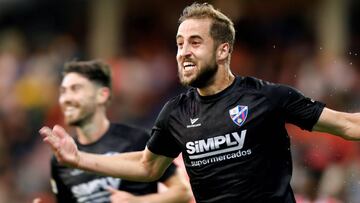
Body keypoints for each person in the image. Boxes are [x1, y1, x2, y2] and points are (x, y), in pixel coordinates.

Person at [39, 2, 360, 203]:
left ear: (223, 50)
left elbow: (347, 124)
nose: (183, 52)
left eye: (195, 42)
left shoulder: (267, 97)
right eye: (179, 43)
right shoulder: (176, 112)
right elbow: (147, 166)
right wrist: (79, 159)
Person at [38, 60, 192, 203]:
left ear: (102, 95)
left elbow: (183, 192)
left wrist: (139, 202)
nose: (66, 98)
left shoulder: (137, 139)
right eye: (63, 91)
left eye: (76, 89)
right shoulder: (61, 159)